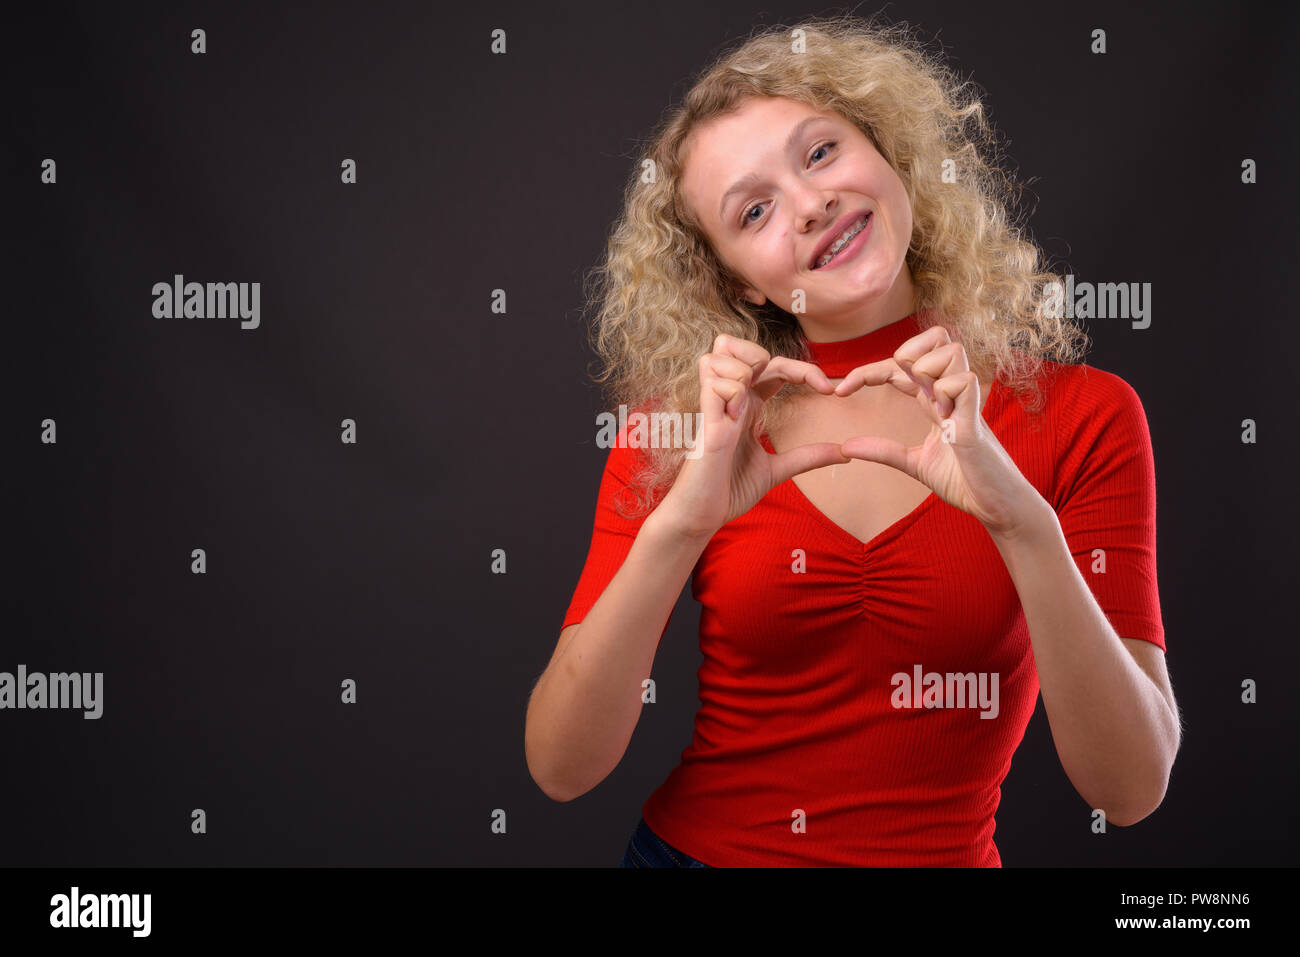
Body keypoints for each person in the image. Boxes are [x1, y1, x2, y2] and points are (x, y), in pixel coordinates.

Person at [524, 14, 1182, 867]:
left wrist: (1022, 523)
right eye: (754, 210)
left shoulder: (1084, 413)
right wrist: (682, 523)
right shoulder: (691, 431)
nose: (809, 205)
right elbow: (560, 767)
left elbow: (1128, 790)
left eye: (822, 153)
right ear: (740, 282)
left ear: (891, 152)